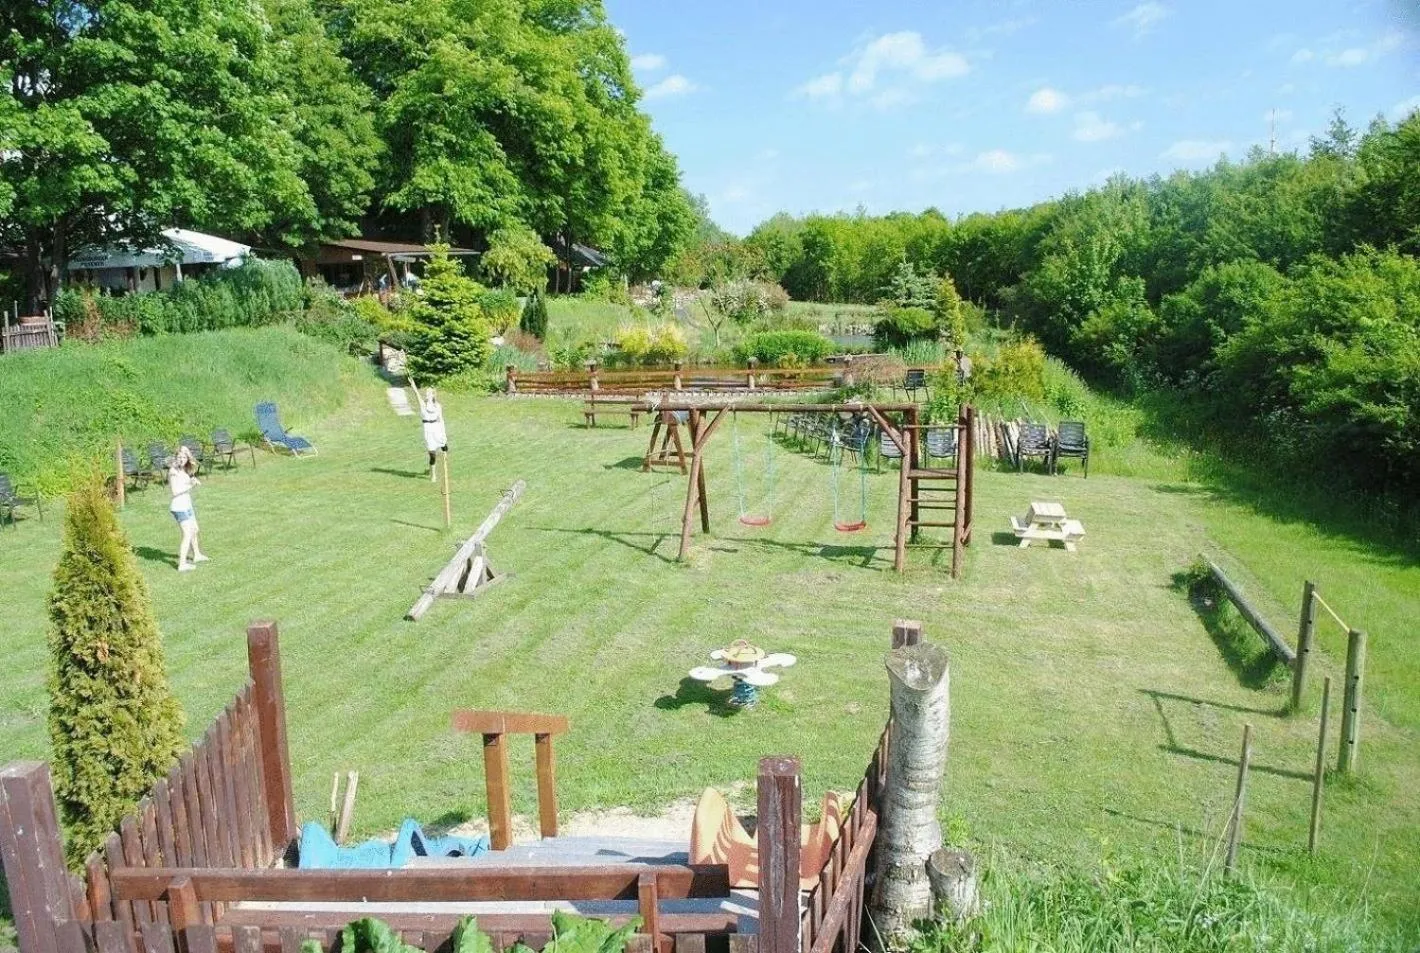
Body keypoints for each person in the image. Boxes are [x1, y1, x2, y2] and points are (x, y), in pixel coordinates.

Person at [168, 446, 209, 572]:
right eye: (179, 457)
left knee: (194, 529)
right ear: (176, 458)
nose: (181, 459)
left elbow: (185, 479)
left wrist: (192, 480)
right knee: (187, 534)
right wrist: (190, 485)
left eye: (184, 457)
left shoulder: (183, 470)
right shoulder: (173, 471)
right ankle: (182, 564)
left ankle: (197, 555)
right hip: (179, 507)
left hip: (187, 504)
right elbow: (175, 491)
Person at [420, 387, 448, 482]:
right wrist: (413, 386)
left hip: (436, 427)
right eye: (426, 393)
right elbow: (417, 395)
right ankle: (433, 475)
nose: (427, 394)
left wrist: (443, 432)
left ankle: (445, 465)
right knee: (432, 453)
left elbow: (441, 418)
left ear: (433, 394)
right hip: (428, 429)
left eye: (429, 393)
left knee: (444, 445)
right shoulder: (423, 404)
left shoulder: (437, 406)